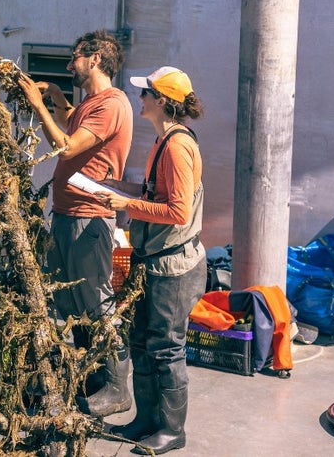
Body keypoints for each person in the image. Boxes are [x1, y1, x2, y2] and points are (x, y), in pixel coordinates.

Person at [17, 30, 134, 417]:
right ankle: (92, 377)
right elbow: (74, 128)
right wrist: (57, 99)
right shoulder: (91, 103)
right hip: (68, 215)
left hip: (89, 218)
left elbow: (67, 146)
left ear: (95, 59)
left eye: (75, 59)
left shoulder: (112, 104)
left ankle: (118, 388)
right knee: (69, 300)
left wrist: (37, 104)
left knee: (96, 301)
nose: (70, 66)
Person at [94, 66, 206, 455]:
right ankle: (146, 421)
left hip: (174, 268)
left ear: (162, 101)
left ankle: (172, 431)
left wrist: (127, 204)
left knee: (166, 349)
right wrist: (116, 186)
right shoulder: (164, 140)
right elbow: (155, 194)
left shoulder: (176, 146)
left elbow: (176, 211)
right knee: (142, 343)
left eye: (145, 94)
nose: (139, 98)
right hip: (154, 262)